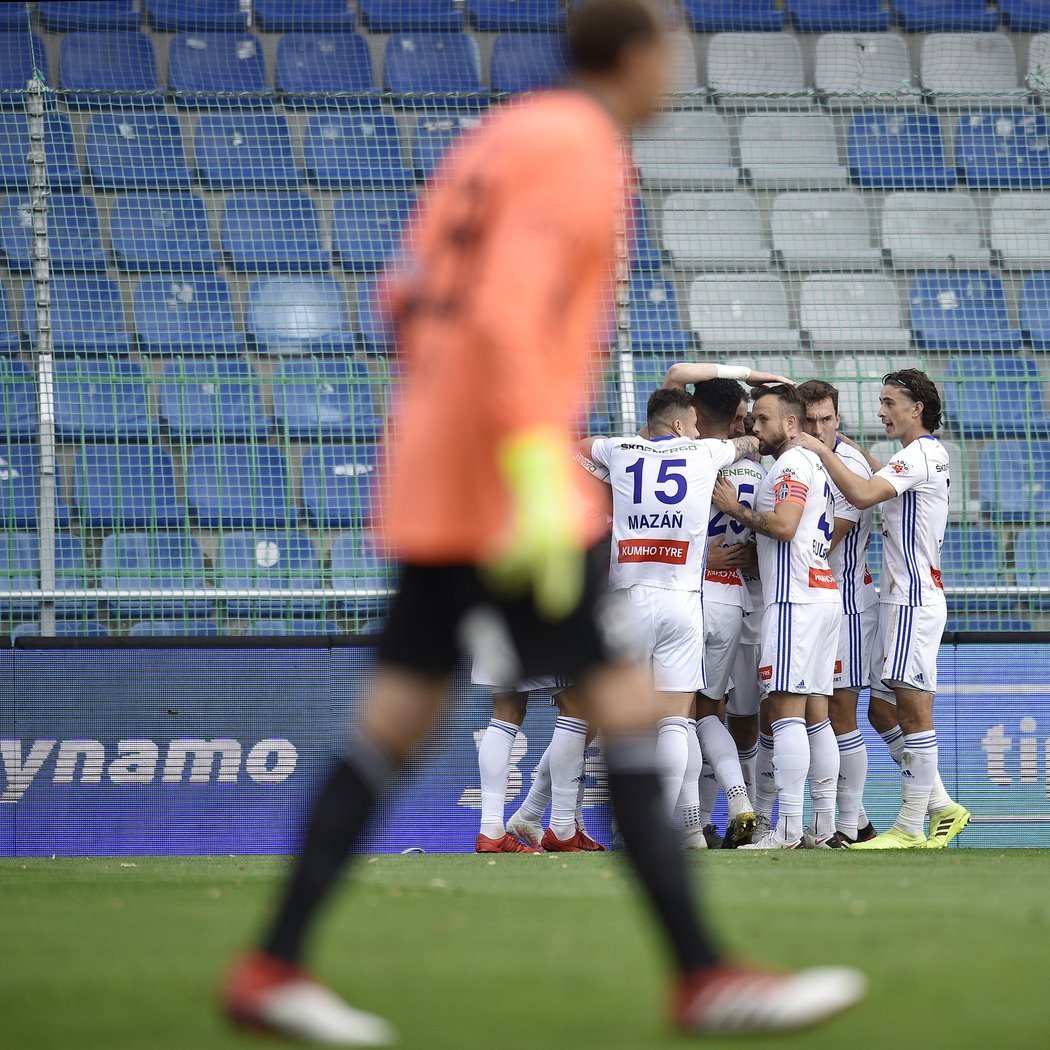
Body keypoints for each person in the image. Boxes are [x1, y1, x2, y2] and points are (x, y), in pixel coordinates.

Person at [222, 2, 865, 1041]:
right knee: (623, 712)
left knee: (393, 722)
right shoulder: (581, 150)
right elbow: (509, 316)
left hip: (438, 474)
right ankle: (704, 976)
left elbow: (405, 299)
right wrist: (527, 472)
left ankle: (271, 964)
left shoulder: (497, 138)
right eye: (675, 52)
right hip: (511, 489)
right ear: (638, 55)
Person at [794, 370, 971, 849]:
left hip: (914, 599)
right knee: (880, 711)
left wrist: (822, 450)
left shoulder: (921, 454)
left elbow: (863, 493)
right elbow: (880, 479)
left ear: (916, 408)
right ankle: (940, 805)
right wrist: (842, 445)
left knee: (914, 712)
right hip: (898, 601)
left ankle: (911, 827)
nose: (881, 411)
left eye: (890, 402)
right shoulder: (915, 456)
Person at [583, 387, 761, 836]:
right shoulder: (704, 452)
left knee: (624, 718)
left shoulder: (621, 449)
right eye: (693, 424)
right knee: (678, 718)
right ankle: (667, 828)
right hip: (684, 599)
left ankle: (621, 822)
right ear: (682, 425)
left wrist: (608, 492)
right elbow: (745, 443)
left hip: (629, 598)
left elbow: (578, 451)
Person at [713, 386, 843, 850]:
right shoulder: (815, 464)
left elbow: (786, 526)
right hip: (824, 596)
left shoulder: (788, 464)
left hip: (795, 601)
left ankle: (786, 827)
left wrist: (735, 510)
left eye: (763, 419)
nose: (755, 428)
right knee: (817, 716)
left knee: (785, 712)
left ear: (790, 424)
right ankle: (825, 827)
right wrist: (757, 552)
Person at [796, 381, 880, 846]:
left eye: (826, 420)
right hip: (815, 602)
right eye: (808, 420)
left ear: (837, 419)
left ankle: (845, 824)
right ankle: (858, 822)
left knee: (838, 713)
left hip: (845, 604)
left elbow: (827, 539)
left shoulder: (844, 466)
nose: (817, 429)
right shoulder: (811, 458)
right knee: (811, 713)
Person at [681, 380, 760, 849]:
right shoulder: (755, 473)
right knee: (711, 712)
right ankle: (738, 800)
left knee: (676, 716)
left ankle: (690, 826)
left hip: (689, 594)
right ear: (734, 418)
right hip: (733, 600)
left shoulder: (681, 458)